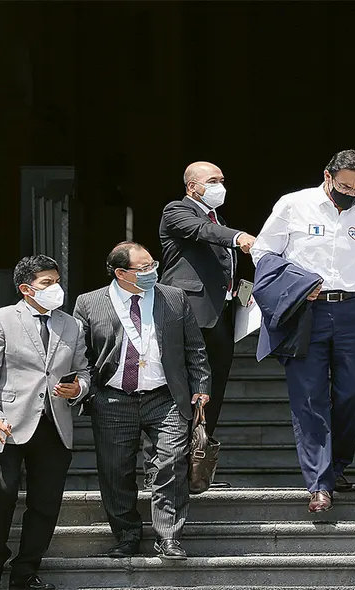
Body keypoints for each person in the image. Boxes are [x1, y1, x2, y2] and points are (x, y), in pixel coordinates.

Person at [251, 149, 355, 513]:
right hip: (305, 312)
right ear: (328, 177)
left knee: (352, 393)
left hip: (353, 310)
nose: (351, 194)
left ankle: (336, 468)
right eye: (345, 186)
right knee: (309, 397)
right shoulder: (294, 205)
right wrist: (298, 282)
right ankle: (319, 483)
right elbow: (263, 251)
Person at [73, 242, 211, 560]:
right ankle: (127, 535)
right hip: (114, 399)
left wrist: (201, 386)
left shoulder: (173, 297)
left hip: (165, 397)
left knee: (171, 462)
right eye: (143, 268)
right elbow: (80, 355)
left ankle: (169, 536)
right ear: (121, 273)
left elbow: (195, 348)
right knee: (115, 470)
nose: (152, 272)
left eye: (153, 265)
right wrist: (88, 392)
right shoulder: (89, 303)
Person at [0, 255, 90, 590]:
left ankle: (26, 570)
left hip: (54, 423)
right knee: (3, 493)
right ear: (26, 288)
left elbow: (84, 370)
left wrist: (78, 388)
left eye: (56, 281)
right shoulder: (0, 320)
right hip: (7, 423)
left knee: (46, 501)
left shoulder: (72, 325)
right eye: (46, 283)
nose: (56, 288)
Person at [147, 161, 254, 489]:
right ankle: (168, 467)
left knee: (214, 390)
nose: (220, 185)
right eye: (212, 180)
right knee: (180, 389)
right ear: (193, 187)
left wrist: (241, 290)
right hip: (185, 315)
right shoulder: (177, 210)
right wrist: (238, 237)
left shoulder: (218, 218)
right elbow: (203, 233)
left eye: (222, 179)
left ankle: (198, 467)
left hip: (219, 316)